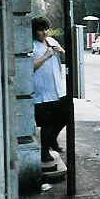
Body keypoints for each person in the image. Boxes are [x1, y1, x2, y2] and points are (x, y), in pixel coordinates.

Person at [32, 16, 67, 165]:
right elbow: (30, 66)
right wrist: (46, 56)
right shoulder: (31, 46)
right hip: (41, 92)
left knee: (64, 117)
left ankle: (53, 139)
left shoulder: (52, 41)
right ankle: (44, 152)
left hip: (57, 90)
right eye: (41, 30)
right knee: (47, 124)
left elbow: (65, 58)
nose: (44, 32)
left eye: (46, 29)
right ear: (34, 31)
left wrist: (62, 51)